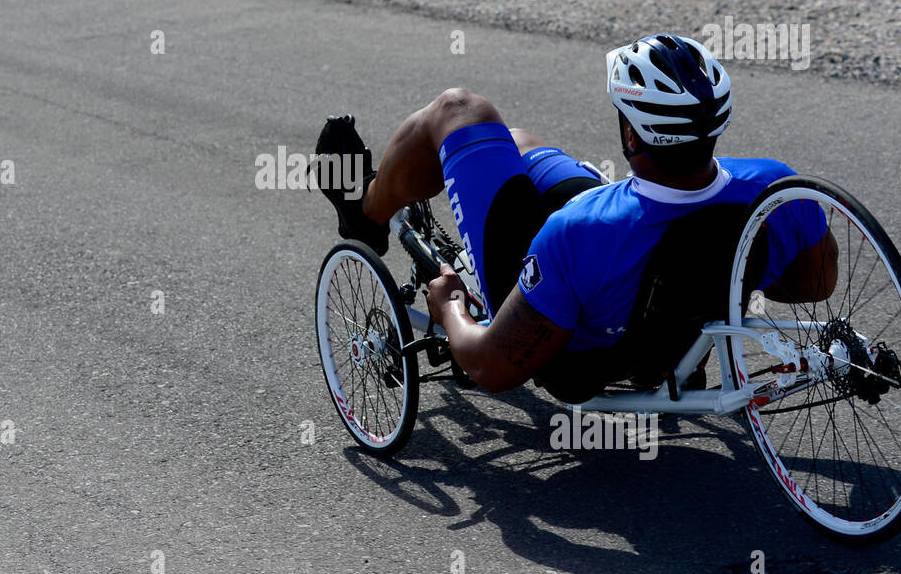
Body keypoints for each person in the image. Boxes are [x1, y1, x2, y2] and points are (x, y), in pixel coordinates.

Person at [315, 34, 838, 400]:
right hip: (651, 317)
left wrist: (451, 305)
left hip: (572, 341)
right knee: (516, 144)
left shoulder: (576, 232)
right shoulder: (775, 187)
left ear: (631, 136)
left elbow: (489, 367)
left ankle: (366, 213)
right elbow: (816, 281)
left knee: (459, 110)